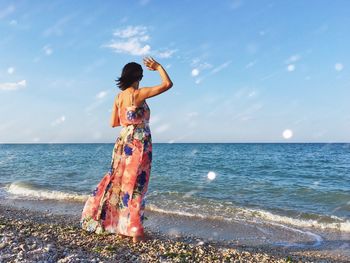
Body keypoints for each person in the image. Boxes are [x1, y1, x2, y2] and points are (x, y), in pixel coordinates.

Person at [80, 57, 173, 243]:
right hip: (139, 143)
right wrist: (159, 67)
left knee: (119, 183)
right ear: (139, 76)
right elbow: (167, 84)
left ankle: (118, 226)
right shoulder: (138, 94)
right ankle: (135, 232)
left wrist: (128, 120)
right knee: (137, 186)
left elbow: (113, 123)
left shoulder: (118, 97)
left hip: (123, 142)